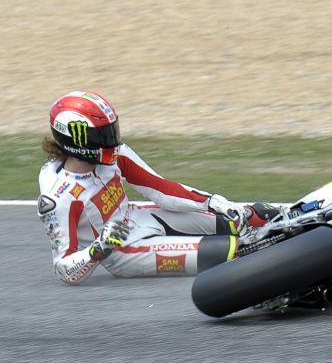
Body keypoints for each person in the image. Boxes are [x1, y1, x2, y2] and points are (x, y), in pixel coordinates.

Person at [38, 91, 276, 285]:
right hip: (123, 252)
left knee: (248, 216)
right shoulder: (59, 198)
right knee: (229, 251)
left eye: (112, 130)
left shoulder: (115, 156)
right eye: (103, 134)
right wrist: (99, 247)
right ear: (79, 140)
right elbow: (64, 269)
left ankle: (298, 222)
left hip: (139, 216)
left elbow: (160, 189)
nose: (113, 139)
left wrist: (213, 202)